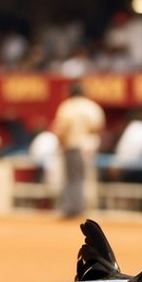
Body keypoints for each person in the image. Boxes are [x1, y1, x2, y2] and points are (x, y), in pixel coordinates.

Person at [51, 82, 105, 217]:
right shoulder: (91, 106)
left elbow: (60, 129)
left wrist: (61, 144)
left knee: (72, 178)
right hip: (89, 147)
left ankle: (71, 208)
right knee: (86, 179)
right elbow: (99, 127)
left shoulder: (67, 106)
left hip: (72, 146)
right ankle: (84, 207)